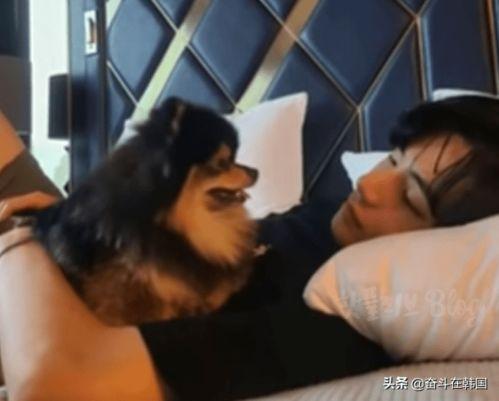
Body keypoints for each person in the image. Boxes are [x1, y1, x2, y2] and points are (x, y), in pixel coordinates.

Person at [1, 95, 499, 401]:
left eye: (410, 198)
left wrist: (21, 235)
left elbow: (53, 383)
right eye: (391, 159)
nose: (369, 184)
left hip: (46, 312)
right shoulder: (337, 220)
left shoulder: (331, 325)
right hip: (79, 257)